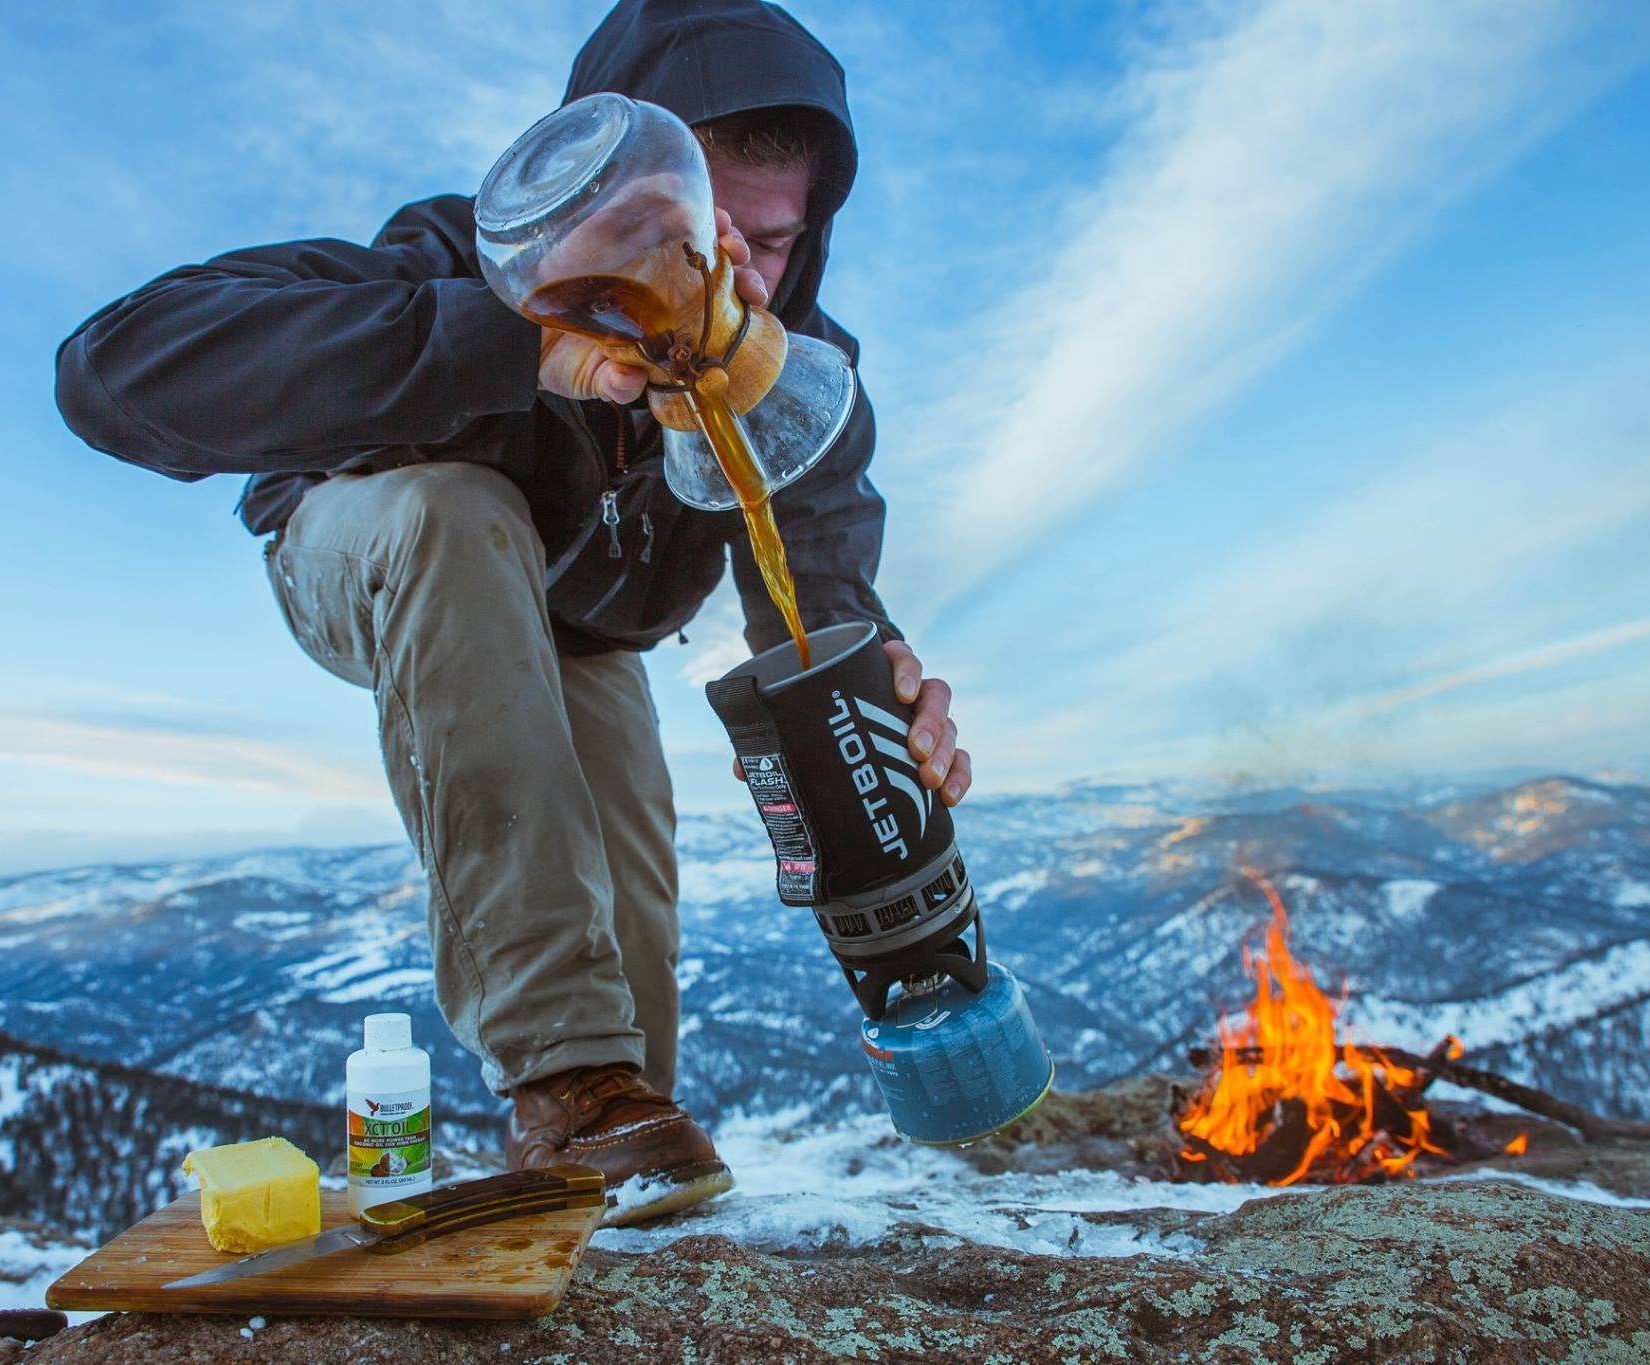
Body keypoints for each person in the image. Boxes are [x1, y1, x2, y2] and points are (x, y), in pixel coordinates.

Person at [54, 0, 972, 1226]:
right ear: (604, 188)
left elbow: (813, 616)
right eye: (688, 231)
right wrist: (511, 339)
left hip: (582, 628)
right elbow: (115, 371)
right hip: (375, 540)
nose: (729, 278)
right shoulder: (458, 264)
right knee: (457, 511)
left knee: (630, 912)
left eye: (771, 244)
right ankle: (562, 1079)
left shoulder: (788, 377)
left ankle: (615, 1149)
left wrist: (879, 733)